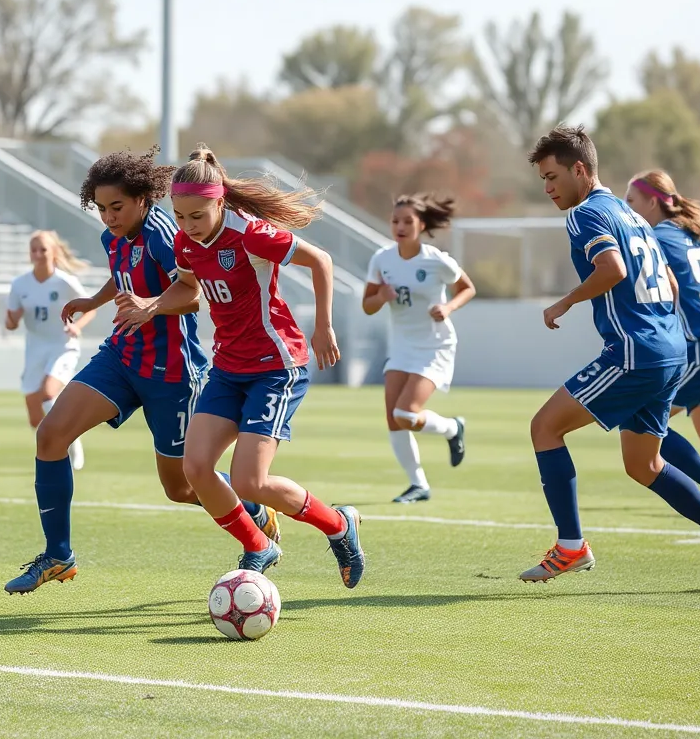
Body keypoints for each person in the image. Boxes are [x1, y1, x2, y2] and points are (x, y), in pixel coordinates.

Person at [3, 147, 278, 596]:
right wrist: (94, 301)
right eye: (102, 208)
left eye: (117, 207)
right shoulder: (113, 236)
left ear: (143, 199)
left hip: (172, 371)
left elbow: (195, 292)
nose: (109, 217)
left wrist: (151, 308)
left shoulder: (165, 234)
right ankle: (58, 555)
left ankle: (251, 507)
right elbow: (125, 274)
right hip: (122, 357)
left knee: (183, 487)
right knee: (50, 436)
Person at [114, 144, 365, 585]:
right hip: (228, 369)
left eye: (197, 216)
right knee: (195, 469)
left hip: (275, 366)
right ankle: (258, 544)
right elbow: (188, 288)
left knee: (250, 481)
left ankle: (339, 524)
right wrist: (153, 305)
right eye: (180, 216)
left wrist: (323, 327)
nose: (188, 227)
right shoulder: (184, 243)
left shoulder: (250, 234)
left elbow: (321, 261)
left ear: (219, 202)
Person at [523, 124, 700, 591]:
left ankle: (571, 546)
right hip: (671, 350)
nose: (547, 188)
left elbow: (613, 270)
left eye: (552, 177)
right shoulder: (634, 216)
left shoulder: (586, 215)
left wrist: (565, 301)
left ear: (580, 169)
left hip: (634, 353)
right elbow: (671, 283)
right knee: (644, 466)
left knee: (544, 428)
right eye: (542, 180)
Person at [625, 170, 700, 515]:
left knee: (642, 419)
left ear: (652, 201)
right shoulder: (694, 236)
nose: (627, 209)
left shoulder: (655, 237)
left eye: (631, 202)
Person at [362, 194, 476, 503]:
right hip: (401, 347)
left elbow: (467, 288)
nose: (400, 226)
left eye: (407, 221)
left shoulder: (435, 259)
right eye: (395, 221)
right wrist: (382, 297)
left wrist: (448, 307)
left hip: (434, 345)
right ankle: (418, 485)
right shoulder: (382, 259)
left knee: (405, 413)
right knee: (393, 417)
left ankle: (452, 428)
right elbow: (367, 306)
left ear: (421, 225)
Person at [6, 230, 95, 470]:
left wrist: (77, 326)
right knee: (36, 420)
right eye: (33, 249)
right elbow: (10, 322)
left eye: (43, 249)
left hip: (62, 347)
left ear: (54, 252)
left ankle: (72, 441)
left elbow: (91, 308)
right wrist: (12, 319)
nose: (38, 254)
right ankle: (66, 433)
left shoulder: (65, 281)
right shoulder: (20, 284)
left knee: (48, 393)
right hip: (34, 351)